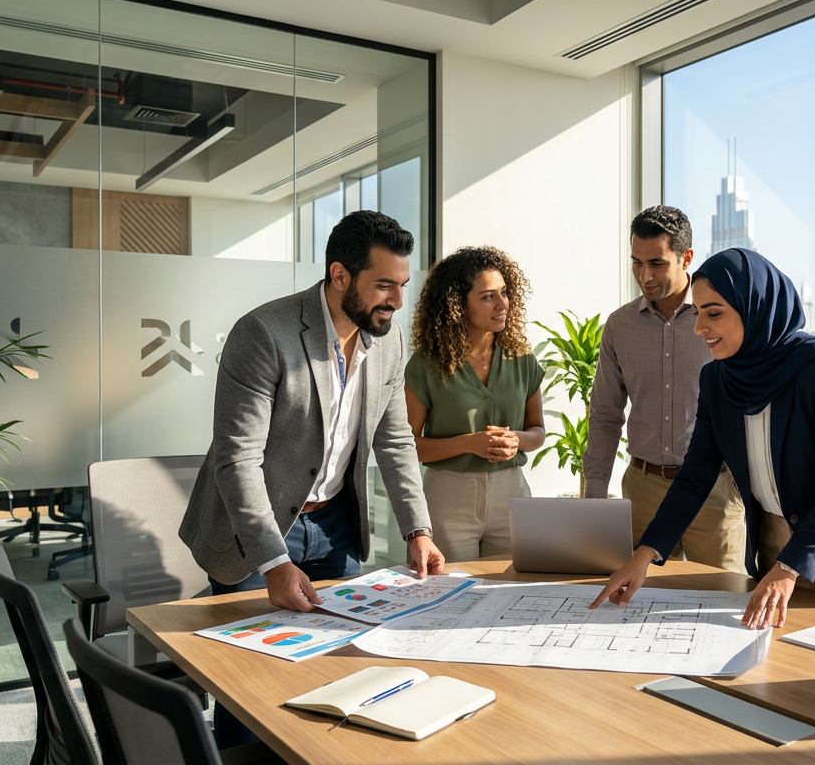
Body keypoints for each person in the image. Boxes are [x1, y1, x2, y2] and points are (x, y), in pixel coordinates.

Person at [591, 247, 815, 629]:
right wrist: (643, 556)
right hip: (774, 544)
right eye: (698, 314)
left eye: (714, 313)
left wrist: (790, 568)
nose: (700, 329)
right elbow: (696, 474)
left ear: (755, 307)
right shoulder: (717, 379)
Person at [181, 209, 446, 608]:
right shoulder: (264, 333)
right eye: (384, 286)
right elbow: (238, 458)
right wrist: (273, 561)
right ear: (340, 276)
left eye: (403, 285)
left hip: (334, 528)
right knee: (253, 662)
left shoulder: (388, 342)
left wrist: (417, 531)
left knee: (339, 649)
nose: (397, 301)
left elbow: (394, 442)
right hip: (258, 532)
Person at [583, 206, 746, 573]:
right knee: (639, 607)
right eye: (636, 262)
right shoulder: (620, 326)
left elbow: (748, 404)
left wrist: (740, 481)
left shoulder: (721, 321)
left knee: (721, 602)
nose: (644, 275)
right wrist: (594, 497)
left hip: (713, 492)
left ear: (686, 258)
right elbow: (606, 416)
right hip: (643, 492)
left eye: (656, 263)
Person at [405, 246, 546, 561]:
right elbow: (408, 446)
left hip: (512, 494)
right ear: (457, 305)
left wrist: (517, 440)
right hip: (448, 498)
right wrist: (470, 443)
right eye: (487, 296)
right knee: (446, 594)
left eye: (504, 293)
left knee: (510, 590)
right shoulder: (426, 364)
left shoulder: (522, 359)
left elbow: (537, 431)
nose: (502, 304)